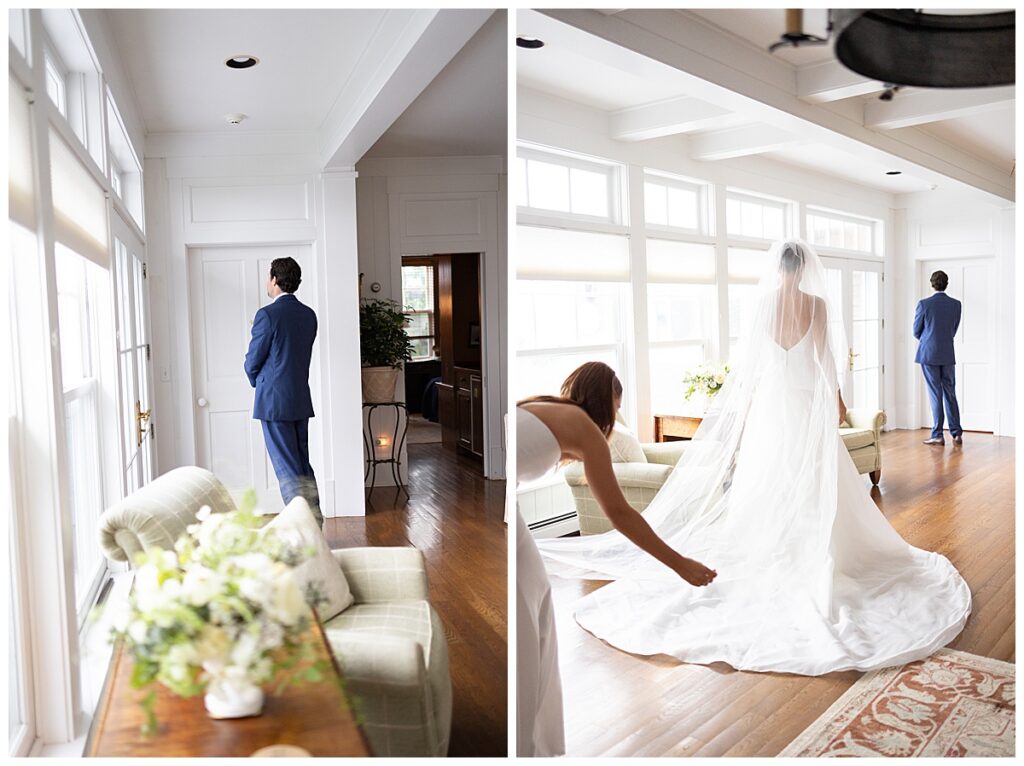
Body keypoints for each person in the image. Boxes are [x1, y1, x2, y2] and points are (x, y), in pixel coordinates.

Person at [537, 240, 970, 676]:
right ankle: (817, 550)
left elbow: (750, 369)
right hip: (801, 406)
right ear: (802, 271)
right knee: (816, 482)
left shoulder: (763, 305)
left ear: (778, 269)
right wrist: (836, 402)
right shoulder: (816, 306)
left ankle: (779, 550)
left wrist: (744, 423)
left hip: (769, 408)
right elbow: (825, 361)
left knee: (772, 482)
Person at [517, 365, 717, 757]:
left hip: (508, 511)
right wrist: (680, 564)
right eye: (617, 402)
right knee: (532, 609)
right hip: (508, 512)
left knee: (536, 600)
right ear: (606, 400)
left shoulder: (540, 404)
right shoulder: (584, 428)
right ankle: (523, 738)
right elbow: (619, 513)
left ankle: (531, 741)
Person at [244, 257, 323, 526]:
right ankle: (315, 521)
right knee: (301, 465)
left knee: (287, 469)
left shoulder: (267, 315)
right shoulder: (308, 314)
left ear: (275, 279)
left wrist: (256, 379)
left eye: (268, 278)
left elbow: (253, 360)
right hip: (300, 399)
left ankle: (305, 531)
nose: (267, 283)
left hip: (274, 403)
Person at [914, 270, 963, 446]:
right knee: (950, 392)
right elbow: (954, 329)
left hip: (929, 354)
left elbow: (916, 331)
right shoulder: (956, 304)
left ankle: (938, 435)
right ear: (946, 284)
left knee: (936, 394)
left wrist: (929, 339)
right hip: (948, 353)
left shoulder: (924, 304)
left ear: (932, 284)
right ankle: (957, 433)